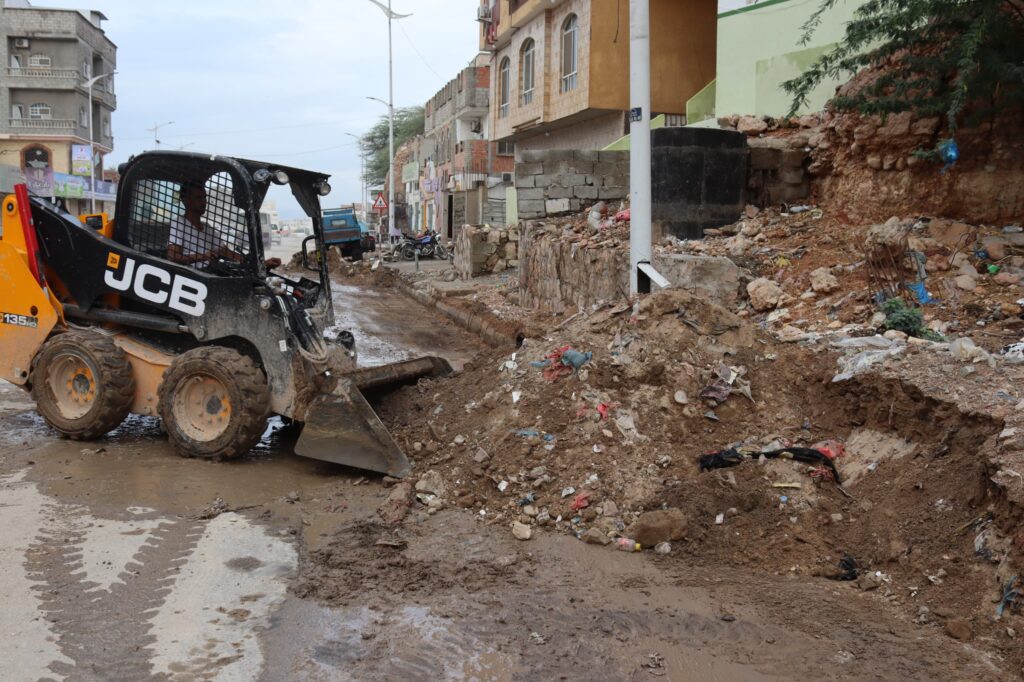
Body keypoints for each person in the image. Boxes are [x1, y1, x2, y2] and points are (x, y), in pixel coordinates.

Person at [167, 182, 281, 269]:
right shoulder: (179, 225)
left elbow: (227, 253)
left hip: (208, 273)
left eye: (204, 197)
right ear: (186, 200)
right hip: (190, 277)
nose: (204, 202)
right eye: (198, 198)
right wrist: (203, 256)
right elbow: (173, 257)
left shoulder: (207, 229)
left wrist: (260, 264)